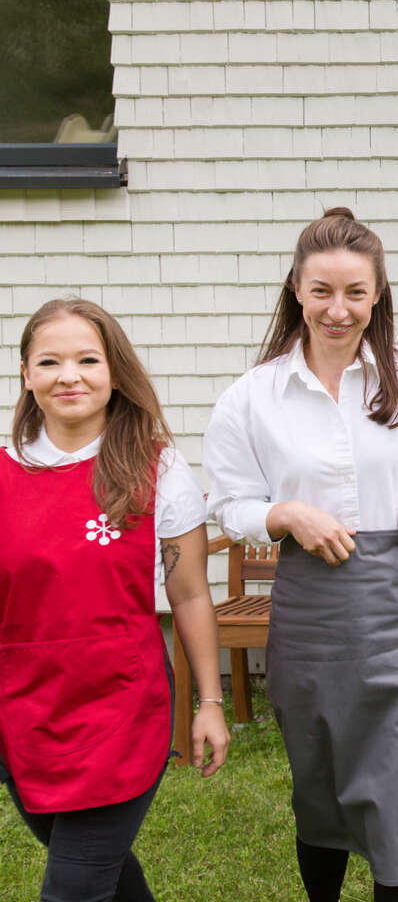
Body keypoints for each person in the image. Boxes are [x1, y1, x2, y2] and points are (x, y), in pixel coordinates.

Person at [205, 209, 398, 902]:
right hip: (310, 610)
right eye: (322, 291)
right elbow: (229, 504)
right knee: (322, 785)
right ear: (296, 291)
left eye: (356, 292)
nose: (338, 309)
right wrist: (285, 514)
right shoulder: (252, 397)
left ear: (378, 294)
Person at [0, 298, 229, 901]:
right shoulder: (3, 474)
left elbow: (190, 596)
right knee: (98, 869)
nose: (68, 375)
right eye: (49, 361)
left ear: (114, 371)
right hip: (24, 714)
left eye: (86, 359)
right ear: (26, 374)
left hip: (120, 713)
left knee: (72, 889)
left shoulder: (158, 470)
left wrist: (209, 701)